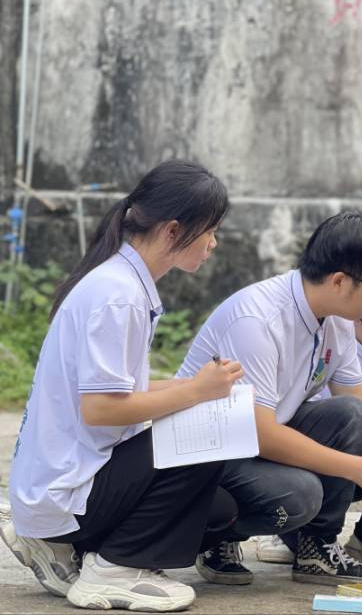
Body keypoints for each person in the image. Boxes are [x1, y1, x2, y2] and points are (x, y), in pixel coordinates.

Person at [3, 160, 242, 613]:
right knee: (205, 440)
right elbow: (101, 409)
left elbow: (123, 388)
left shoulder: (120, 280)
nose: (214, 243)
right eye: (211, 230)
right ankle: (113, 568)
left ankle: (66, 547)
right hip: (67, 491)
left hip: (61, 483)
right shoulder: (118, 295)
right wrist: (195, 393)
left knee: (218, 509)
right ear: (173, 231)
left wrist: (196, 385)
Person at [177, 212, 362, 588]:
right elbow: (259, 433)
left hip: (260, 437)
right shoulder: (258, 320)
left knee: (351, 414)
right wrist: (357, 468)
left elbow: (358, 402)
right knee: (300, 494)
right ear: (340, 281)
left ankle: (316, 551)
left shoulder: (336, 318)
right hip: (211, 452)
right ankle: (214, 536)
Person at [256, 259, 362, 570]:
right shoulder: (328, 326)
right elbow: (327, 408)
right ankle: (303, 535)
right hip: (318, 442)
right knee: (351, 419)